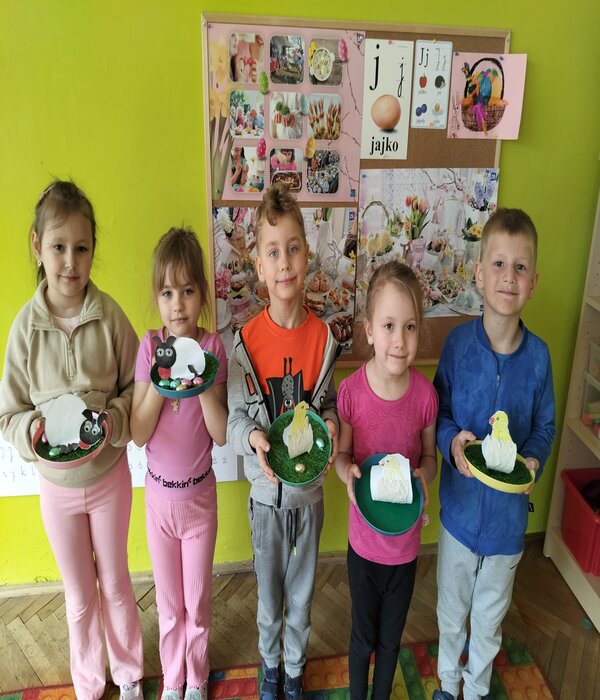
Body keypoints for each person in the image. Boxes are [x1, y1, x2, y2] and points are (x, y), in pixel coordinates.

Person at [0, 180, 144, 700]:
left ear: (93, 251)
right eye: (58, 247)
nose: (70, 262)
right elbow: (8, 413)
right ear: (37, 247)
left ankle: (129, 674)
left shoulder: (110, 316)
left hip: (109, 480)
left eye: (81, 248)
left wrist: (117, 421)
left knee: (117, 583)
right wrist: (28, 431)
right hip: (57, 490)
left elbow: (136, 385)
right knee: (80, 594)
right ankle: (89, 683)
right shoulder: (24, 329)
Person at [432, 208, 556, 700]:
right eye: (499, 264)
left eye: (521, 267)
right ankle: (447, 684)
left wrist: (534, 460)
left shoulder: (539, 358)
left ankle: (477, 688)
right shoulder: (458, 346)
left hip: (507, 527)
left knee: (488, 619)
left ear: (533, 283)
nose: (509, 277)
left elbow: (545, 427)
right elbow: (439, 411)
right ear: (479, 274)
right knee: (451, 612)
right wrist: (451, 442)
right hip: (458, 519)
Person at [227, 183, 339, 700]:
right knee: (269, 597)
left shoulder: (324, 339)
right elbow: (234, 420)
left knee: (302, 592)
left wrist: (332, 426)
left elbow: (329, 407)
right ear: (258, 265)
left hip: (309, 498)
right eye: (273, 252)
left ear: (307, 255)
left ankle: (294, 669)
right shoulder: (245, 343)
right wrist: (251, 435)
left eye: (293, 248)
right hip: (264, 501)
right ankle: (270, 667)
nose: (285, 262)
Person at [130, 227, 228, 700]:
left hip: (199, 501)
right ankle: (173, 679)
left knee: (197, 603)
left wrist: (201, 378)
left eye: (188, 291)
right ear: (157, 297)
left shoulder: (213, 348)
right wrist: (159, 377)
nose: (177, 305)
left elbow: (221, 433)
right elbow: (138, 432)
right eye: (167, 292)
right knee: (169, 606)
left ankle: (198, 676)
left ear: (202, 295)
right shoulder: (150, 347)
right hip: (158, 502)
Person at [335, 261, 438, 700]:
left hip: (406, 548)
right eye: (389, 326)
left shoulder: (426, 397)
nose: (400, 340)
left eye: (410, 327)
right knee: (362, 638)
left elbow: (430, 456)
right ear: (369, 331)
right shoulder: (352, 393)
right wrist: (347, 472)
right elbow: (342, 456)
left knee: (390, 641)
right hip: (363, 545)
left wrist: (424, 474)